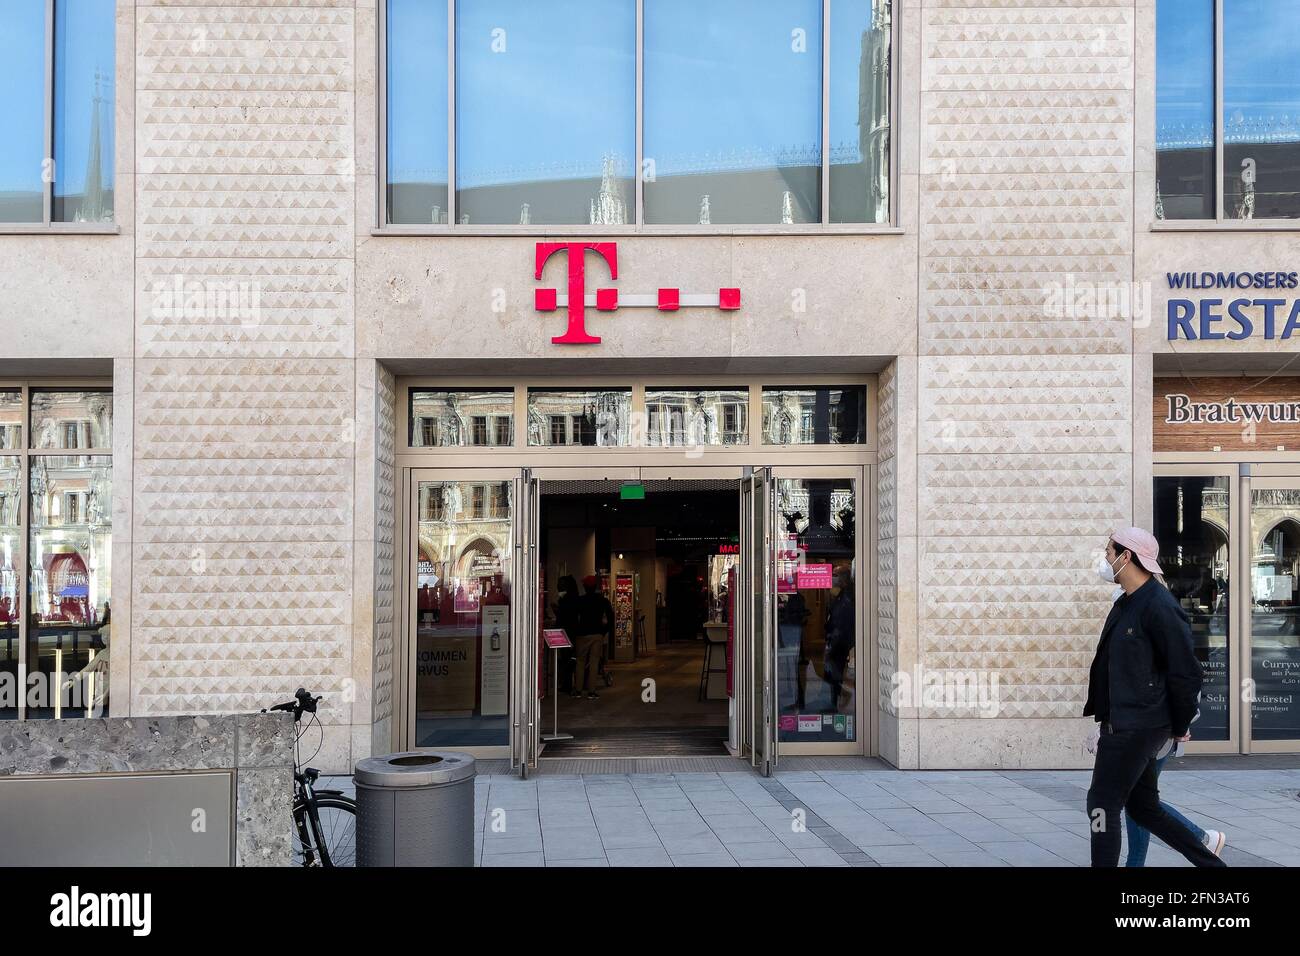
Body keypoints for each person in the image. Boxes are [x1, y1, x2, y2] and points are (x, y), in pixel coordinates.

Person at [1083, 527, 1227, 868]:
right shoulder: (1126, 603)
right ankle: (1212, 864)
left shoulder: (1159, 606)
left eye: (1109, 551)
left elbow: (1185, 671)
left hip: (1138, 726)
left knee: (1101, 805)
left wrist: (1180, 725)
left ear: (1126, 556)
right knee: (1143, 807)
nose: (1105, 558)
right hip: (1125, 722)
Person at [574, 574, 614, 700]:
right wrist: (604, 631)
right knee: (594, 662)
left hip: (581, 635)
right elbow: (611, 617)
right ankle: (592, 691)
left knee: (580, 662)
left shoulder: (580, 601)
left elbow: (574, 618)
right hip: (597, 634)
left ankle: (578, 690)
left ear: (585, 587)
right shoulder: (603, 600)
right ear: (595, 586)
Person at [553, 576, 582, 695]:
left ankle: (567, 684)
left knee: (566, 659)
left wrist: (556, 609)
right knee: (572, 658)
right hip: (574, 632)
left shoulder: (565, 600)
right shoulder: (576, 598)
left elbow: (562, 616)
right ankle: (574, 684)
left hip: (565, 632)